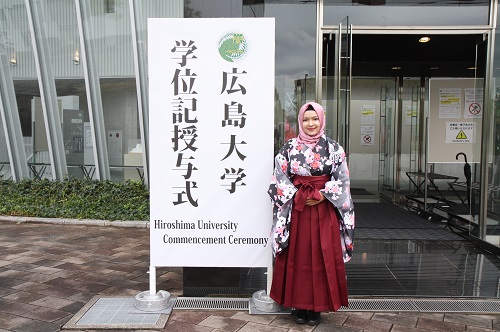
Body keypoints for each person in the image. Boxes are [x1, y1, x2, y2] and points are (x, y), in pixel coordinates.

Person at [268, 102, 355, 326]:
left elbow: (343, 181)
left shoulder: (334, 148)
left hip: (323, 208)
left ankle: (317, 308)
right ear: (300, 121)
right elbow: (279, 178)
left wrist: (324, 195)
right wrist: (297, 194)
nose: (311, 124)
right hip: (297, 208)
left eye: (315, 119)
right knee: (297, 256)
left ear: (321, 120)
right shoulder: (288, 148)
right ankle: (298, 305)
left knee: (321, 255)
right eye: (306, 119)